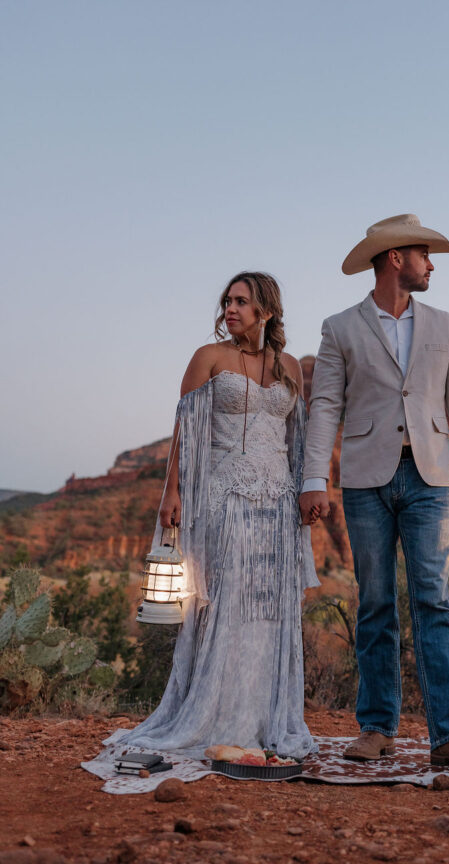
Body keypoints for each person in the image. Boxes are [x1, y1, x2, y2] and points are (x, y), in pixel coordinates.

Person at [299, 214, 449, 769]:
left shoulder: (445, 324)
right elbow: (325, 406)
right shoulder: (340, 327)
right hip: (366, 480)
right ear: (396, 259)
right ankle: (377, 726)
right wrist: (313, 477)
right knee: (376, 604)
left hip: (432, 479)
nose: (432, 265)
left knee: (432, 601)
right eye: (424, 255)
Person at [109, 272, 318, 761]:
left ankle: (263, 721)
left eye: (242, 302)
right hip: (226, 499)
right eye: (227, 301)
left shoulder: (289, 366)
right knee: (226, 606)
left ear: (266, 310)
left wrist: (307, 492)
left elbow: (298, 441)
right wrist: (171, 490)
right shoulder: (209, 358)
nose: (231, 309)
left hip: (278, 505)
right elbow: (185, 428)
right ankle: (218, 717)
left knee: (270, 610)